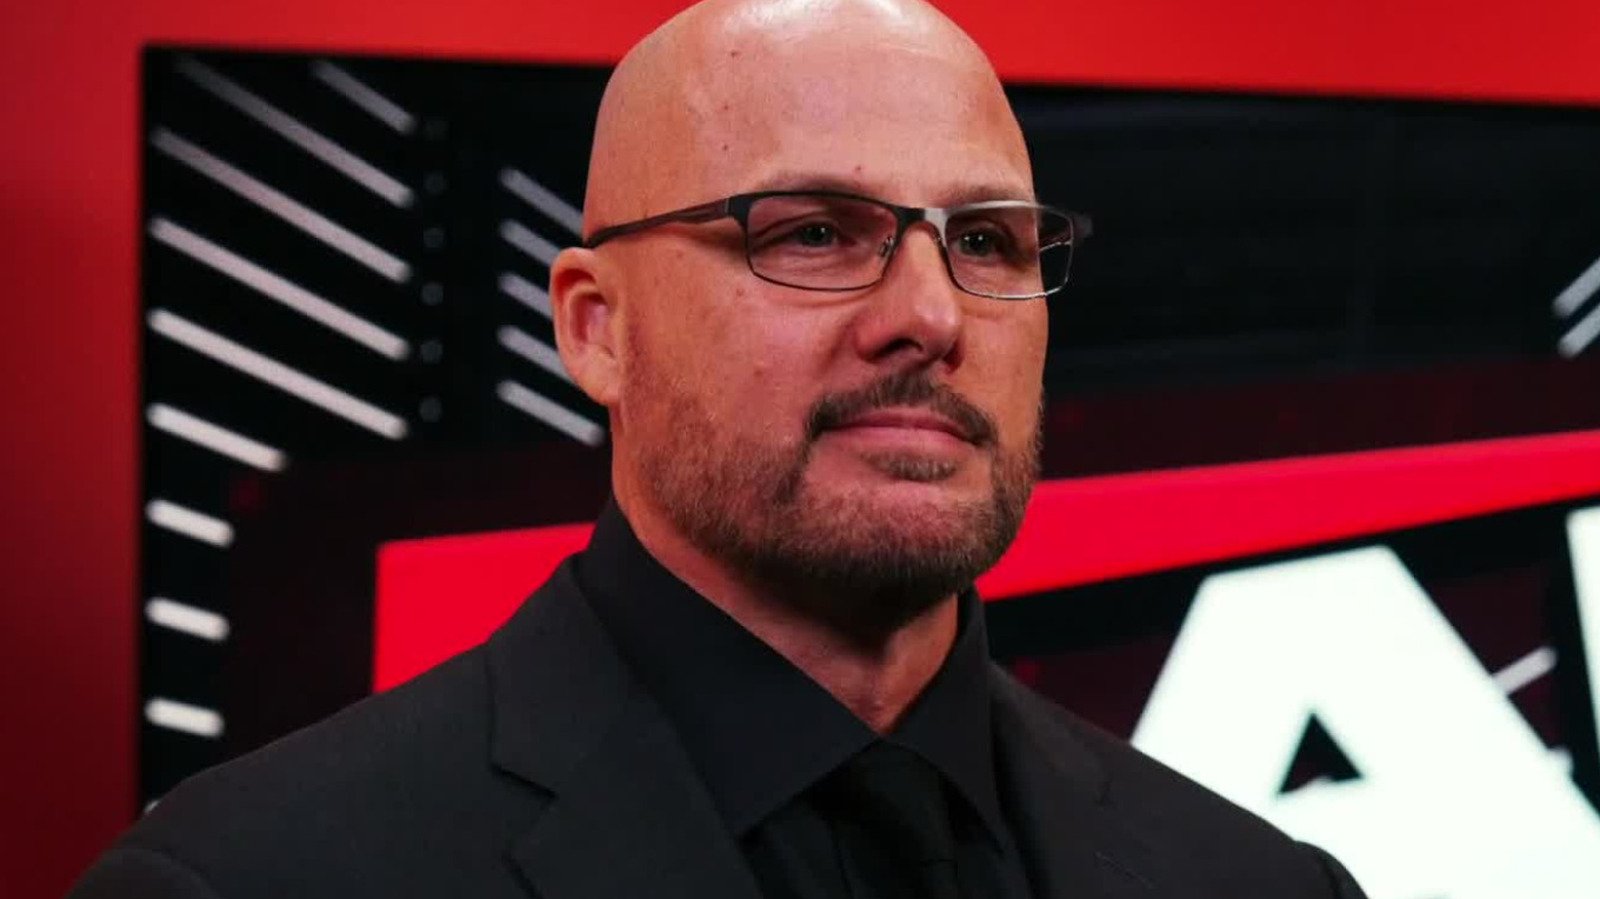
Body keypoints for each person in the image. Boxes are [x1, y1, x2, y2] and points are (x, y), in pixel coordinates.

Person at [71, 0, 1369, 896]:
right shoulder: (250, 881)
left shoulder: (1259, 886)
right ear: (597, 328)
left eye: (986, 241)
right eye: (813, 232)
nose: (930, 316)